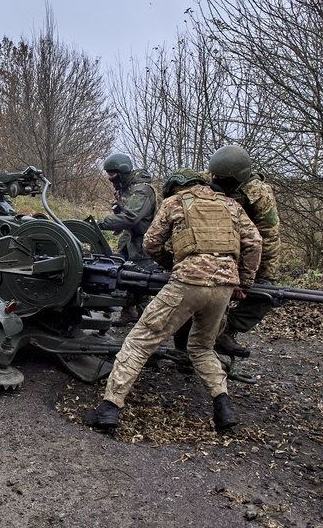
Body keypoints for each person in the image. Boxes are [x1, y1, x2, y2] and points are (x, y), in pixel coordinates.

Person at [84, 168, 261, 433]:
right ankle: (223, 409)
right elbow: (255, 242)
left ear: (175, 187)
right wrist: (243, 281)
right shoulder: (230, 204)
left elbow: (151, 243)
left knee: (139, 342)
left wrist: (171, 264)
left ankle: (109, 409)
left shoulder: (174, 202)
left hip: (188, 283)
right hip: (223, 286)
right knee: (202, 348)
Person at [176, 145, 281, 358]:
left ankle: (226, 330)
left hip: (245, 249)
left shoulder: (259, 193)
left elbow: (268, 235)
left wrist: (258, 276)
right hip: (206, 246)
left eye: (221, 177)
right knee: (194, 290)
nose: (215, 178)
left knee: (266, 294)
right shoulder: (205, 179)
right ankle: (184, 349)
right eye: (214, 174)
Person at [96, 153, 157, 326]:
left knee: (143, 281)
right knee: (122, 273)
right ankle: (129, 312)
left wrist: (100, 223)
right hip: (129, 237)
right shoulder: (124, 186)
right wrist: (118, 224)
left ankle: (149, 325)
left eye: (112, 174)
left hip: (144, 240)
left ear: (122, 172)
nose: (110, 178)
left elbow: (131, 217)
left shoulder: (141, 190)